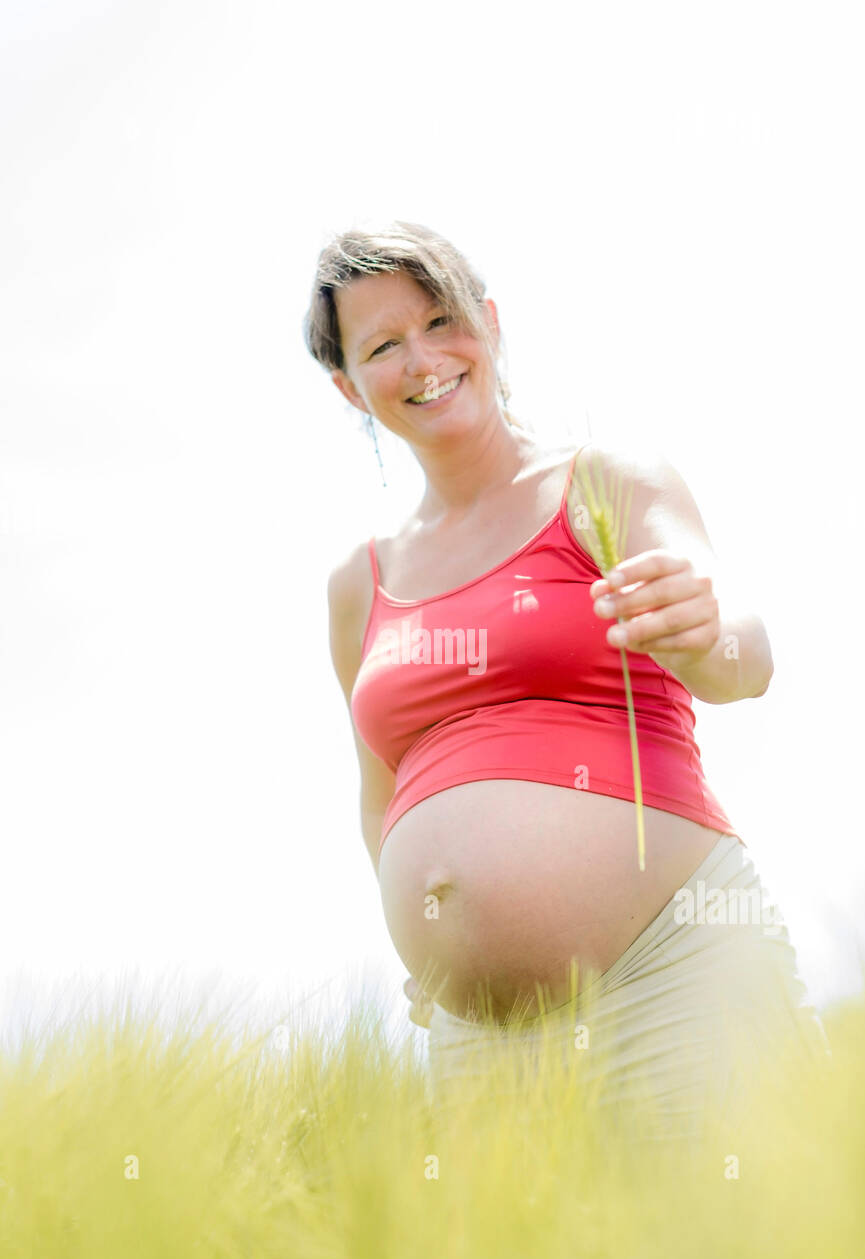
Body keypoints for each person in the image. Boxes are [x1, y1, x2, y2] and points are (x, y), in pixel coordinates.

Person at [304, 220, 830, 1140]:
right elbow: (378, 798)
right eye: (384, 345)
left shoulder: (605, 480)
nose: (423, 357)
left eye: (442, 318)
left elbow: (741, 659)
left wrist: (705, 633)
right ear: (350, 386)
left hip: (676, 972)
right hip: (481, 1043)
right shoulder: (359, 584)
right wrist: (431, 942)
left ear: (491, 323)